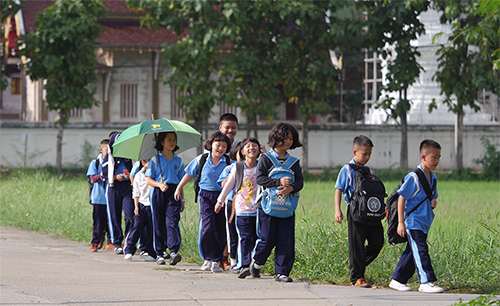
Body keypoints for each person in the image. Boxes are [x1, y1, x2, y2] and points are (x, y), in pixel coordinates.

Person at [389, 140, 444, 293]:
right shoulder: (413, 177)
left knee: (412, 250)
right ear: (423, 156)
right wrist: (401, 222)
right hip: (413, 221)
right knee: (421, 250)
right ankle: (426, 281)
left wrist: (433, 203)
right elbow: (402, 198)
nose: (437, 161)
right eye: (434, 157)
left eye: (439, 157)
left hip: (424, 221)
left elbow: (431, 198)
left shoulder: (433, 178)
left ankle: (397, 279)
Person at [250, 123, 304, 283]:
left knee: (286, 239)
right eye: (284, 138)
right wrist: (279, 181)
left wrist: (291, 188)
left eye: (290, 139)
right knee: (267, 238)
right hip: (266, 206)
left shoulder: (294, 162)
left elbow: (300, 182)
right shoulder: (265, 159)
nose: (287, 141)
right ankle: (257, 262)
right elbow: (259, 178)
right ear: (276, 138)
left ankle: (282, 272)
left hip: (287, 206)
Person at [174, 131, 232, 273]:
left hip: (223, 197)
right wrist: (178, 188)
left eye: (224, 146)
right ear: (211, 145)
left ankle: (216, 260)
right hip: (205, 196)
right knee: (207, 227)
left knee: (220, 229)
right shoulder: (202, 159)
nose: (220, 149)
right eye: (218, 145)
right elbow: (189, 174)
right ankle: (207, 258)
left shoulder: (229, 162)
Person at [334, 135, 384, 288]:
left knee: (378, 242)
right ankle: (357, 278)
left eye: (369, 154)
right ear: (354, 152)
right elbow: (339, 188)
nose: (367, 157)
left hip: (371, 212)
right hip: (355, 212)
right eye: (364, 154)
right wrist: (338, 210)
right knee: (356, 245)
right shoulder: (347, 169)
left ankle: (356, 262)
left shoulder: (367, 170)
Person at [216, 137, 260, 278]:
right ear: (242, 151)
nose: (251, 148)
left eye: (255, 146)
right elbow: (228, 185)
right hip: (241, 210)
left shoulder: (261, 167)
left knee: (256, 238)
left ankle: (254, 264)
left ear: (259, 150)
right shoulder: (238, 167)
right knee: (244, 238)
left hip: (258, 210)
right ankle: (244, 265)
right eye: (248, 146)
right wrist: (220, 201)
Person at [146, 132, 186, 265]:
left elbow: (181, 180)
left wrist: (183, 198)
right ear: (161, 142)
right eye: (169, 139)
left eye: (174, 139)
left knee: (172, 221)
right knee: (158, 222)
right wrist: (159, 185)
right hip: (158, 192)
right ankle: (159, 253)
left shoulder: (178, 161)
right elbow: (149, 180)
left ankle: (174, 251)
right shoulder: (155, 159)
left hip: (174, 192)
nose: (172, 142)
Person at [101, 132, 134, 254]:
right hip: (113, 187)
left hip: (127, 187)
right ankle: (117, 243)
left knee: (130, 215)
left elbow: (132, 171)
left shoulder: (127, 156)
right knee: (114, 216)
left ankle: (129, 241)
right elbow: (103, 175)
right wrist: (115, 177)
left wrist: (128, 175)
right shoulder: (109, 156)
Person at [217, 142, 243, 273]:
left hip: (249, 206)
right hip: (231, 204)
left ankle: (245, 260)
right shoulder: (229, 168)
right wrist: (234, 172)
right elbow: (222, 184)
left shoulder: (255, 167)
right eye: (241, 152)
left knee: (247, 233)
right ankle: (233, 261)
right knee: (232, 231)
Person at [123, 159, 156, 262]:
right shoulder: (138, 175)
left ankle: (150, 252)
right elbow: (136, 192)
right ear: (143, 163)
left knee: (151, 229)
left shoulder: (156, 174)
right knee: (137, 227)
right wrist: (136, 206)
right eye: (148, 162)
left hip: (152, 205)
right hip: (142, 205)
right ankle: (129, 249)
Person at [86, 139, 110, 252]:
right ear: (101, 150)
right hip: (98, 197)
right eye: (107, 149)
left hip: (110, 197)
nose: (109, 151)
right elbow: (93, 178)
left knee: (111, 221)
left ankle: (111, 242)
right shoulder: (95, 162)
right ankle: (95, 242)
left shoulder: (113, 162)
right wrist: (103, 174)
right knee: (98, 221)